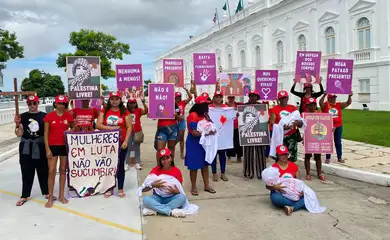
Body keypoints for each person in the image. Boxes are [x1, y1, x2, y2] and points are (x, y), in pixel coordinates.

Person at [14, 95, 53, 206]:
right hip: (26, 147)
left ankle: (46, 192)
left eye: (34, 103)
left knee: (43, 170)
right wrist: (17, 125)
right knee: (26, 171)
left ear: (38, 103)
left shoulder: (45, 116)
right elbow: (19, 134)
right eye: (30, 104)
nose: (32, 106)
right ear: (27, 105)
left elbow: (48, 133)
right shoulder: (22, 116)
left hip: (40, 146)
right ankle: (24, 195)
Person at [96, 91, 132, 198]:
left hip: (121, 143)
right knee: (109, 165)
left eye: (117, 99)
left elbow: (129, 127)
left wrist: (126, 141)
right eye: (112, 99)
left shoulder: (125, 111)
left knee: (120, 165)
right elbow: (98, 125)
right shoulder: (105, 110)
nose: (114, 101)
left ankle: (120, 188)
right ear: (109, 100)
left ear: (120, 100)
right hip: (108, 143)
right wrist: (113, 128)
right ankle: (109, 187)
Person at [44, 95, 74, 208]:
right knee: (51, 171)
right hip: (52, 146)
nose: (61, 106)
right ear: (55, 104)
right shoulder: (49, 116)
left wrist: (72, 128)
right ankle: (50, 197)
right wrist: (47, 149)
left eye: (63, 104)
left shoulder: (68, 115)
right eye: (59, 103)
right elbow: (46, 134)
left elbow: (73, 128)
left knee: (63, 170)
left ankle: (61, 195)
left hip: (64, 146)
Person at [141, 148, 187, 218]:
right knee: (146, 199)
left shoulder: (177, 171)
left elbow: (180, 190)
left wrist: (176, 192)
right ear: (160, 161)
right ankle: (170, 212)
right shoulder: (155, 170)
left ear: (171, 158)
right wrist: (153, 185)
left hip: (171, 197)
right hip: (157, 197)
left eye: (167, 158)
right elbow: (143, 189)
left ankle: (156, 210)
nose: (165, 161)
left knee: (182, 198)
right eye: (163, 159)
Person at [185, 95, 216, 196]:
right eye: (206, 104)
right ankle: (193, 187)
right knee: (194, 166)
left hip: (204, 143)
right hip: (194, 143)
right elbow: (194, 133)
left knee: (205, 165)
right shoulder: (193, 115)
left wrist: (209, 120)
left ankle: (206, 186)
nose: (208, 106)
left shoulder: (204, 115)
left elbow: (211, 126)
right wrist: (207, 133)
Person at [266, 145, 305, 216]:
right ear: (277, 155)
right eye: (281, 155)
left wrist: (301, 191)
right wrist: (275, 187)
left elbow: (299, 182)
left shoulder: (294, 166)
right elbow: (267, 186)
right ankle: (299, 204)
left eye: (285, 154)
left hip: (293, 193)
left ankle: (292, 207)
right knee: (275, 198)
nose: (284, 156)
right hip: (280, 194)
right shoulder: (273, 168)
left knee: (308, 195)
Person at [319, 91, 353, 164]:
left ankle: (339, 157)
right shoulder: (325, 105)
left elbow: (348, 103)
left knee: (338, 142)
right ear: (329, 98)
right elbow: (320, 103)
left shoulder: (338, 105)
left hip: (338, 126)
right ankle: (328, 158)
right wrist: (324, 95)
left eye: (334, 98)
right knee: (328, 142)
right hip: (329, 127)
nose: (334, 99)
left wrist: (349, 96)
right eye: (332, 98)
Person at [269, 90, 303, 162]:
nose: (283, 99)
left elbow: (300, 123)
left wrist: (296, 123)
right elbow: (272, 123)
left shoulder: (293, 108)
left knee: (291, 158)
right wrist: (282, 127)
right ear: (278, 99)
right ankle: (281, 172)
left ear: (287, 98)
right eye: (281, 98)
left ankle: (291, 172)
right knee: (280, 157)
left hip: (292, 137)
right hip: (280, 137)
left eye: (285, 98)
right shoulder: (274, 109)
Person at [243, 90, 268, 180]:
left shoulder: (262, 107)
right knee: (248, 153)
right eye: (251, 96)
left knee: (261, 154)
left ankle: (262, 173)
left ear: (257, 97)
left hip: (259, 133)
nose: (253, 97)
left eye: (255, 96)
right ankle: (248, 172)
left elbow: (265, 118)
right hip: (248, 134)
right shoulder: (244, 106)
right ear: (249, 96)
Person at [155, 98, 184, 164]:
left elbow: (182, 118)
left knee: (171, 148)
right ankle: (159, 167)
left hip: (172, 129)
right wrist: (150, 114)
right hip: (162, 129)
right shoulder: (159, 104)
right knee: (160, 149)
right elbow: (154, 116)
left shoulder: (175, 106)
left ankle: (170, 164)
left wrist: (176, 116)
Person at [303, 98, 325, 181]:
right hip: (308, 137)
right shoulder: (304, 115)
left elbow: (325, 124)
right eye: (310, 105)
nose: (312, 106)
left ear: (316, 105)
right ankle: (308, 173)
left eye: (313, 104)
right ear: (307, 106)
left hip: (317, 138)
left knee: (318, 156)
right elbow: (302, 126)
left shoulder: (320, 114)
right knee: (307, 156)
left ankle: (319, 173)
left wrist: (331, 128)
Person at [209, 91, 229, 182]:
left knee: (222, 155)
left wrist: (235, 115)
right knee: (213, 154)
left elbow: (231, 117)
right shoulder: (209, 108)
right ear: (213, 98)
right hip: (212, 135)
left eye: (220, 96)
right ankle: (214, 173)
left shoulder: (226, 108)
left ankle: (223, 173)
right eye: (216, 97)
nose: (218, 98)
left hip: (223, 135)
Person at [125, 98, 148, 170]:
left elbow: (146, 111)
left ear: (135, 103)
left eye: (133, 103)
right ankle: (127, 163)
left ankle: (137, 162)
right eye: (130, 103)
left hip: (137, 131)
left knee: (136, 148)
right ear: (128, 104)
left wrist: (144, 103)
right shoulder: (125, 111)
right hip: (128, 132)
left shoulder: (138, 110)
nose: (132, 104)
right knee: (127, 148)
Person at [175, 87, 193, 159]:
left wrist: (186, 90)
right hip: (174, 122)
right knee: (172, 138)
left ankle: (182, 153)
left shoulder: (183, 103)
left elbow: (190, 97)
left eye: (179, 97)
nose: (178, 98)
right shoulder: (171, 103)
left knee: (181, 138)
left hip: (181, 122)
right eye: (177, 97)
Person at [226, 96, 243, 164]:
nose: (231, 98)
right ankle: (229, 157)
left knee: (238, 143)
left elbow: (243, 109)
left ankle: (239, 157)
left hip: (238, 126)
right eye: (230, 97)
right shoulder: (225, 105)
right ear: (228, 98)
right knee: (229, 142)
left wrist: (238, 110)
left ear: (234, 98)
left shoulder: (238, 105)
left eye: (232, 97)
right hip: (228, 127)